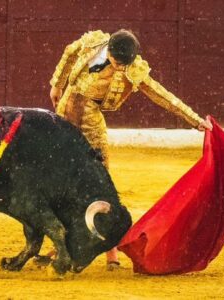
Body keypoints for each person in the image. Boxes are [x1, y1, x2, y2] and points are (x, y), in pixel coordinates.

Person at [38, 29, 212, 271]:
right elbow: (69, 53)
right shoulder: (92, 43)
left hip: (90, 120)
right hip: (63, 116)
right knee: (59, 182)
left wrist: (195, 120)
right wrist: (57, 84)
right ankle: (61, 243)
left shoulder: (132, 68)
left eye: (123, 64)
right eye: (116, 62)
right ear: (108, 49)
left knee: (102, 183)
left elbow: (161, 94)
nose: (120, 69)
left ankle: (111, 249)